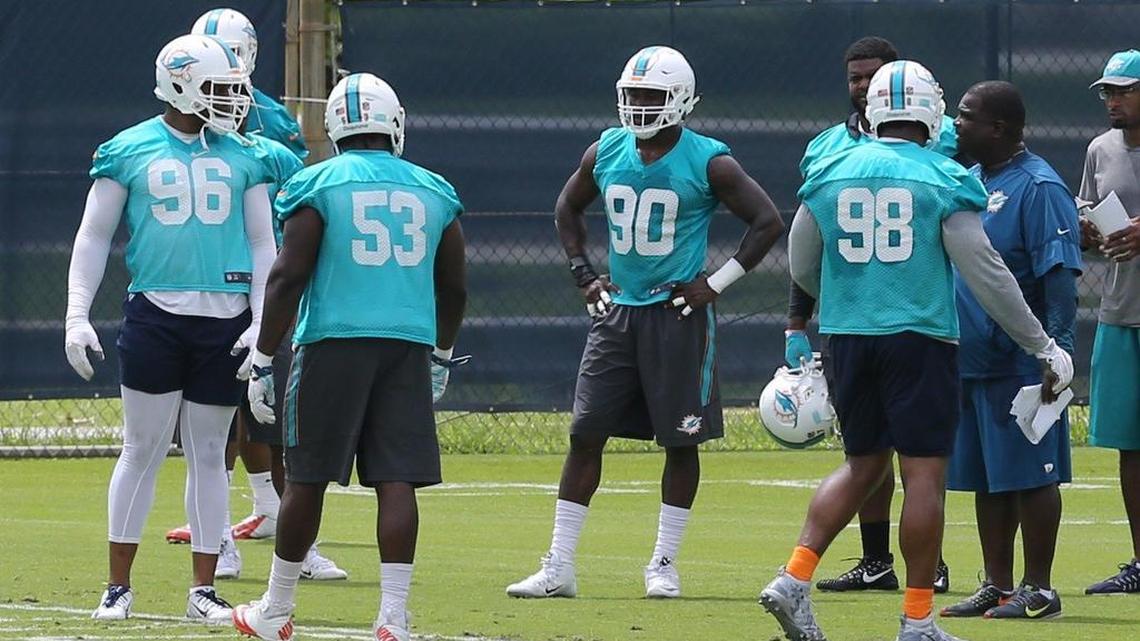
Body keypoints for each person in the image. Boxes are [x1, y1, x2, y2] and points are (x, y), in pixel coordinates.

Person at [758, 60, 1074, 641]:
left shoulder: (830, 167)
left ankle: (794, 577)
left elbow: (802, 261)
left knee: (862, 465)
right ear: (931, 112)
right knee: (923, 476)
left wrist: (850, 298)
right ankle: (918, 618)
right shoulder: (943, 178)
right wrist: (1043, 343)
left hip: (849, 337)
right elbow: (987, 272)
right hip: (920, 340)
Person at [504, 45, 785, 601]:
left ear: (680, 99)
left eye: (649, 97)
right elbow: (566, 209)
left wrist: (715, 283)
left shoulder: (710, 160)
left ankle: (662, 563)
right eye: (631, 96)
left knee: (681, 442)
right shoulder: (606, 149)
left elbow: (767, 222)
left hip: (677, 316)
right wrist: (585, 275)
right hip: (617, 314)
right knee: (585, 434)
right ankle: (559, 564)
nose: (637, 107)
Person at [231, 72, 468, 641]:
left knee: (307, 478)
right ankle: (393, 617)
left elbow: (288, 276)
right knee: (397, 480)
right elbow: (454, 288)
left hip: (332, 344)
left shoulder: (316, 184)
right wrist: (441, 353)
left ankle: (277, 609)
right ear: (395, 124)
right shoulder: (434, 190)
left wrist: (264, 356)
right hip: (406, 347)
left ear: (335, 128)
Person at [63, 34, 275, 623]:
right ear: (181, 83)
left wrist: (262, 320)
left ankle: (203, 590)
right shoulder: (128, 148)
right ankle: (117, 586)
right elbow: (93, 235)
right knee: (142, 449)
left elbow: (264, 244)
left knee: (210, 453)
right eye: (221, 88)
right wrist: (76, 313)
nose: (234, 100)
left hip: (225, 321)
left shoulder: (245, 154)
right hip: (156, 316)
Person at [788, 36, 959, 594]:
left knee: (880, 461)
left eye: (873, 77)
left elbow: (804, 254)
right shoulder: (825, 147)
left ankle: (806, 576)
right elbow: (812, 247)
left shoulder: (943, 137)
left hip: (874, 319)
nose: (863, 87)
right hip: (904, 325)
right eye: (855, 77)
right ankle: (887, 569)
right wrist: (798, 320)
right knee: (905, 462)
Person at [938, 81, 1080, 620]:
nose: (956, 125)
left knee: (1032, 474)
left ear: (999, 128)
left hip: (1022, 360)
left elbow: (1059, 273)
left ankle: (1039, 587)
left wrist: (1057, 353)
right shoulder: (970, 181)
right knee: (986, 477)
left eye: (966, 117)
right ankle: (996, 585)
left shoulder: (1040, 186)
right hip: (970, 358)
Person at [1080, 49, 1140, 595]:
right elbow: (1086, 214)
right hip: (1121, 313)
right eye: (1107, 91)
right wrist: (1090, 231)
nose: (1112, 100)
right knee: (1130, 444)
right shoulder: (1100, 149)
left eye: (1123, 90)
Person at [192, 7, 308, 160]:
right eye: (207, 54)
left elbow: (291, 179)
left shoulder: (273, 121)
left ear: (250, 53)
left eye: (230, 52)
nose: (219, 62)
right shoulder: (182, 108)